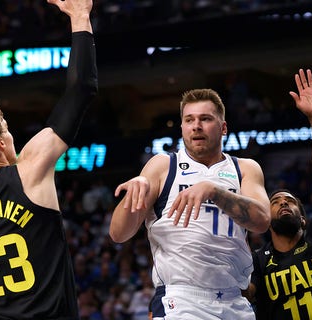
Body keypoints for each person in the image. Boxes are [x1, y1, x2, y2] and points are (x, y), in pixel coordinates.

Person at [0, 0, 98, 318]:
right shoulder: (30, 172)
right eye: (9, 130)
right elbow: (80, 90)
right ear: (2, 143)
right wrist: (81, 16)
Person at [109, 86, 272, 317]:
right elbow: (118, 234)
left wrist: (214, 191)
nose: (196, 125)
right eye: (189, 120)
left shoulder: (244, 168)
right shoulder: (163, 165)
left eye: (205, 119)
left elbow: (262, 221)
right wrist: (131, 198)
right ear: (183, 127)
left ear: (223, 127)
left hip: (235, 299)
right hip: (181, 298)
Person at [250, 69, 312, 319]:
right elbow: (242, 294)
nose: (282, 204)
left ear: (303, 218)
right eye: (275, 201)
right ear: (266, 219)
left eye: (290, 201)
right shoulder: (258, 261)